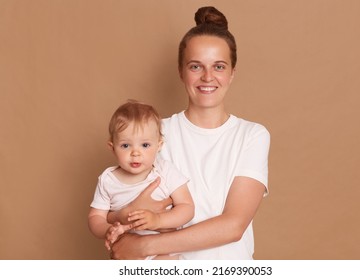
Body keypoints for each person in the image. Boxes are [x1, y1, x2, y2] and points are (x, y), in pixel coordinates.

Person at [108, 6, 270, 260]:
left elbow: (233, 225)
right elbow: (122, 208)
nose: (207, 77)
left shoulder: (252, 136)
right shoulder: (155, 134)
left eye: (218, 66)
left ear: (232, 73)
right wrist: (122, 228)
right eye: (196, 66)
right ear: (181, 71)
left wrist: (144, 247)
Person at [88, 100, 194, 260]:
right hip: (127, 253)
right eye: (125, 146)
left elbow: (187, 208)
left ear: (159, 146)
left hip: (163, 251)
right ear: (112, 147)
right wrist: (107, 230)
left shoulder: (165, 171)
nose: (135, 153)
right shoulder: (108, 180)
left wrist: (158, 220)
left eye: (144, 145)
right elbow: (95, 218)